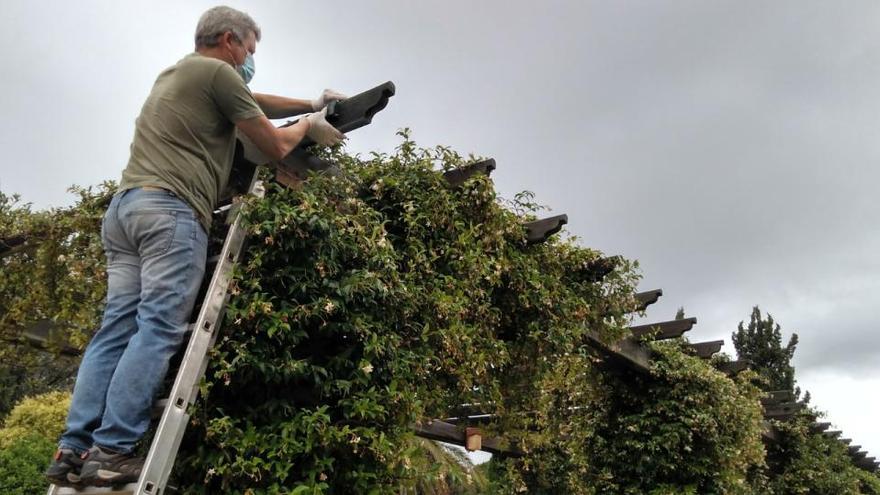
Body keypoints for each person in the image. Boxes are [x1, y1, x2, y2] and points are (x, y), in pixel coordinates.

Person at [44, 6, 345, 487]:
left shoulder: (180, 73)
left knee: (115, 330)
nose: (250, 59)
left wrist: (310, 103)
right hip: (171, 211)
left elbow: (254, 99)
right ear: (229, 40)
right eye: (249, 49)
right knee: (158, 327)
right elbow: (270, 145)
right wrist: (309, 126)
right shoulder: (218, 74)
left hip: (125, 212)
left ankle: (73, 448)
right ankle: (113, 449)